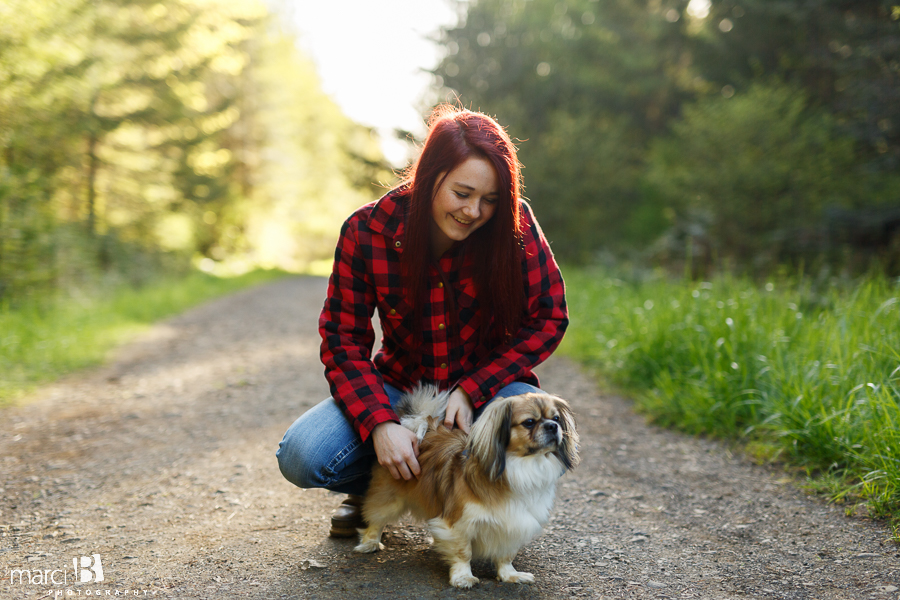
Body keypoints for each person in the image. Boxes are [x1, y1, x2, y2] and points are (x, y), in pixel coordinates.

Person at [276, 105, 568, 537]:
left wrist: (474, 389)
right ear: (430, 176)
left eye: (489, 200)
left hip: (490, 387)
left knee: (548, 434)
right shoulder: (366, 230)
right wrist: (379, 423)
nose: (473, 211)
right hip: (402, 387)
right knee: (303, 455)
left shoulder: (515, 222)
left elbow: (550, 315)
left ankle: (487, 513)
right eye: (462, 193)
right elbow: (342, 340)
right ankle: (377, 490)